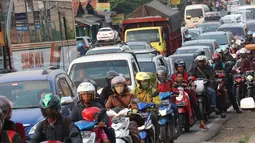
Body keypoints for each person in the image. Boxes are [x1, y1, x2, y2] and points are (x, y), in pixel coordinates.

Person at [171, 60, 208, 129]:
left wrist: (193, 86)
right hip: (176, 94)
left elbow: (192, 82)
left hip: (186, 92)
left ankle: (201, 122)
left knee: (194, 104)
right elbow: (170, 84)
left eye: (182, 67)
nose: (181, 68)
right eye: (179, 67)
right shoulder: (173, 76)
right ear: (176, 67)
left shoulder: (187, 74)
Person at [105, 75, 140, 143]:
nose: (119, 88)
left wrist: (134, 109)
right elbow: (107, 108)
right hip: (114, 121)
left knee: (134, 132)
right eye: (117, 86)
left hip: (128, 119)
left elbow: (134, 103)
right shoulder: (111, 98)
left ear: (125, 86)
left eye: (121, 86)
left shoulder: (131, 95)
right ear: (113, 88)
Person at [131, 72, 160, 139]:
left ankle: (157, 137)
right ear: (138, 82)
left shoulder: (153, 90)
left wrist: (155, 104)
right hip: (138, 112)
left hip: (149, 111)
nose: (145, 83)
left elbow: (157, 100)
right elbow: (130, 102)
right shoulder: (133, 92)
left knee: (154, 116)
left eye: (146, 81)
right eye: (143, 81)